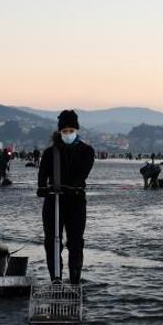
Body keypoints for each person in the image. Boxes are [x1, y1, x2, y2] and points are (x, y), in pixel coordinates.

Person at [37, 110, 95, 284]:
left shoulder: (86, 151)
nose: (68, 134)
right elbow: (42, 173)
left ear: (76, 130)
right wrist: (42, 188)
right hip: (53, 200)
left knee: (76, 241)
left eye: (71, 130)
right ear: (60, 131)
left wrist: (71, 186)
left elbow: (83, 172)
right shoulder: (50, 153)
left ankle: (75, 278)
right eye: (65, 131)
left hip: (76, 200)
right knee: (52, 240)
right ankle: (56, 278)